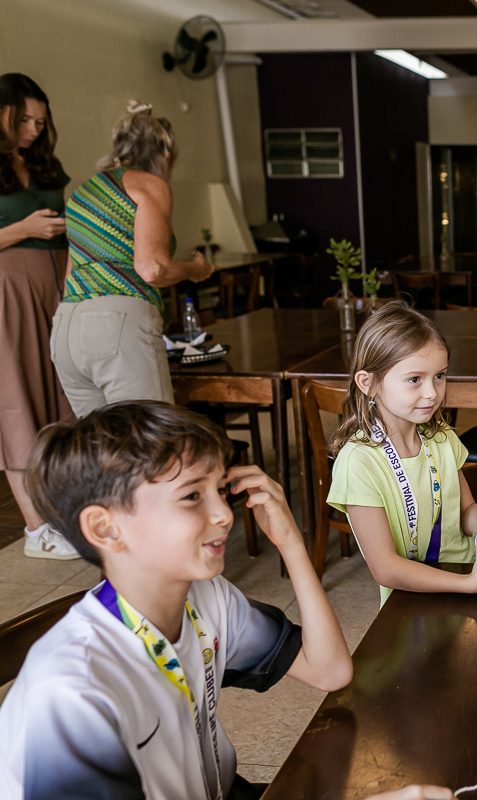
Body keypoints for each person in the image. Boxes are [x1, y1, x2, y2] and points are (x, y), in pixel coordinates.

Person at [0, 401, 354, 799]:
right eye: (191, 496)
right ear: (105, 528)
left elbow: (329, 671)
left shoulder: (206, 598)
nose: (223, 513)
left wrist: (290, 542)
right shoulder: (70, 693)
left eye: (220, 489)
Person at [327, 302, 477, 604]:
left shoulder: (441, 436)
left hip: (469, 572)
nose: (432, 392)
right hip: (412, 598)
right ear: (369, 384)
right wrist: (468, 584)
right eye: (414, 379)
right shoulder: (358, 463)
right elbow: (385, 568)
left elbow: (465, 514)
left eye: (440, 376)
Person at [50, 101, 213, 417]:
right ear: (165, 154)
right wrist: (196, 269)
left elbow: (71, 271)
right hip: (115, 322)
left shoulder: (83, 191)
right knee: (150, 441)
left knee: (101, 449)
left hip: (66, 328)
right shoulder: (150, 184)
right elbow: (152, 268)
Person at [0, 73, 77, 560]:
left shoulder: (44, 164)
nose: (32, 129)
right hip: (6, 289)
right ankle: (35, 529)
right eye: (23, 119)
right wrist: (22, 227)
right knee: (16, 398)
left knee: (62, 394)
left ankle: (61, 509)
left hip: (56, 287)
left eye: (39, 121)